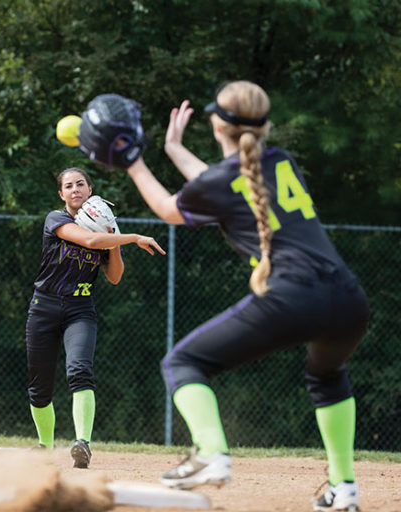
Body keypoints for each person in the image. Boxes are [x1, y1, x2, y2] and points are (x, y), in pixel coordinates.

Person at [121, 81, 368, 511]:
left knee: (184, 362)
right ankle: (342, 488)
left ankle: (211, 453)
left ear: (217, 125)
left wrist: (133, 161)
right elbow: (229, 185)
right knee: (327, 377)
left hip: (294, 295)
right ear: (265, 125)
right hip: (348, 298)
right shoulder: (282, 162)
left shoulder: (225, 179)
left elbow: (168, 209)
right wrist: (176, 151)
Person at [25, 167, 165, 469]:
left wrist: (113, 234)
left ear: (90, 190)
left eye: (80, 184)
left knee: (79, 371)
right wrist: (132, 237)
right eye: (68, 186)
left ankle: (82, 444)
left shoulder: (103, 231)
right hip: (44, 307)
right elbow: (88, 242)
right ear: (61, 194)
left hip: (79, 310)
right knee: (39, 388)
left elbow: (114, 276)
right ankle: (45, 447)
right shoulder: (56, 219)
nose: (75, 189)